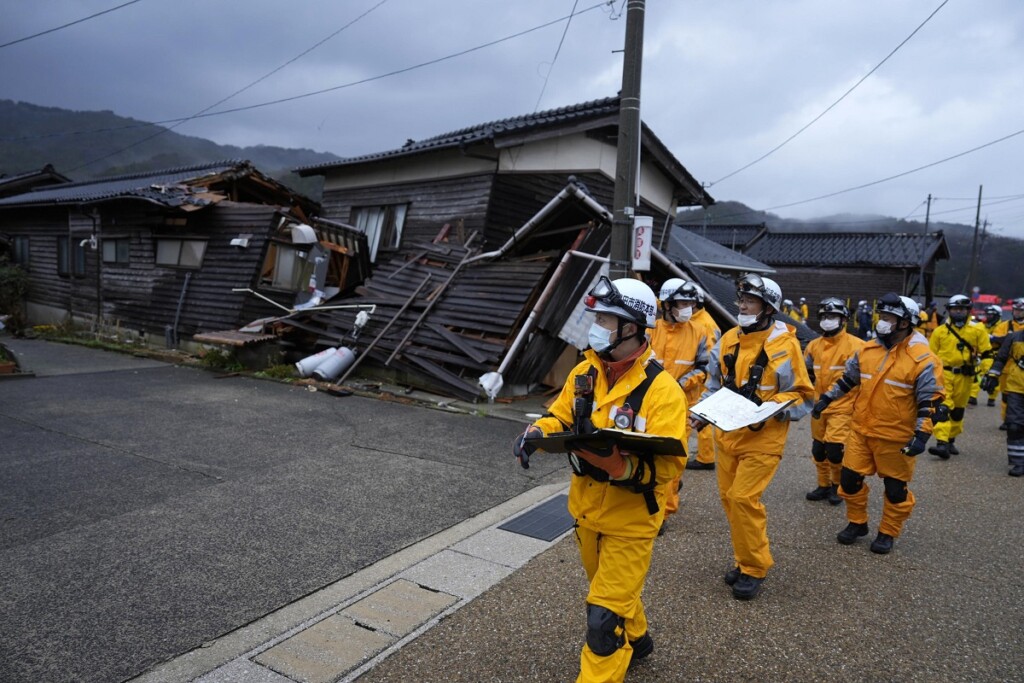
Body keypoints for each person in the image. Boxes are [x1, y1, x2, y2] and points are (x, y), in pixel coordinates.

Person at [512, 275, 686, 681]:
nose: (598, 327)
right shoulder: (584, 373)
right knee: (607, 590)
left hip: (632, 523)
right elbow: (560, 416)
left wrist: (620, 467)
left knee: (603, 621)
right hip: (586, 514)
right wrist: (538, 433)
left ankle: (618, 643)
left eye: (608, 320)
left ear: (633, 327)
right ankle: (639, 637)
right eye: (599, 318)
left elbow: (670, 467)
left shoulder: (663, 392)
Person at [689, 274, 814, 600]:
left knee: (744, 499)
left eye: (750, 301)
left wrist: (771, 410)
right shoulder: (729, 338)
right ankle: (743, 560)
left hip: (764, 438)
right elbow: (714, 386)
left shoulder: (785, 345)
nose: (742, 306)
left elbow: (802, 396)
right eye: (741, 300)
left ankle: (755, 568)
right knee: (731, 502)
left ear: (768, 307)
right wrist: (701, 414)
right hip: (727, 435)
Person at [812, 294, 945, 555]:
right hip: (861, 430)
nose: (881, 322)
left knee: (895, 490)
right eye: (881, 316)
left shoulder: (923, 359)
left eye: (888, 318)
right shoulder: (868, 350)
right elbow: (848, 380)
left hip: (896, 437)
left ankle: (887, 531)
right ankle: (857, 523)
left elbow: (930, 401)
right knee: (849, 482)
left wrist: (922, 435)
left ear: (906, 323)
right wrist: (827, 399)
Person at [650, 278, 712, 519]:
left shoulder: (699, 332)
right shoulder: (650, 330)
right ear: (667, 304)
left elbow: (704, 368)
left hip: (683, 406)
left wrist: (678, 385)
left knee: (672, 460)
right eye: (681, 302)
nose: (687, 308)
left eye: (689, 302)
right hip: (651, 405)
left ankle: (664, 512)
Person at [803, 298, 865, 505]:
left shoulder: (858, 346)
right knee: (818, 449)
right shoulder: (813, 346)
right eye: (824, 317)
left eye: (833, 316)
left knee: (835, 449)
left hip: (844, 406)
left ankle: (836, 485)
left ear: (844, 319)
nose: (827, 320)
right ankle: (822, 485)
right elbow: (806, 372)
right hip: (819, 405)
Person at [927, 294, 992, 458]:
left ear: (968, 310)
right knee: (943, 407)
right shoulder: (939, 331)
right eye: (955, 309)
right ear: (949, 310)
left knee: (958, 411)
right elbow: (930, 356)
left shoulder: (978, 329)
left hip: (966, 376)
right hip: (944, 375)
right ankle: (941, 443)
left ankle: (950, 440)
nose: (958, 312)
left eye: (962, 309)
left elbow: (986, 353)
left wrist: (989, 373)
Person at [685, 283, 722, 471]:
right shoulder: (699, 319)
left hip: (701, 377)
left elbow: (710, 355)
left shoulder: (704, 323)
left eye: (688, 302)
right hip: (700, 375)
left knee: (701, 416)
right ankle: (705, 456)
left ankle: (706, 457)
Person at [980, 326, 1024, 476]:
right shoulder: (1015, 337)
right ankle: (1018, 462)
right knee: (1014, 426)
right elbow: (1001, 358)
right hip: (1016, 387)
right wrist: (993, 375)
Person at [993, 298, 1024, 428]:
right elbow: (995, 340)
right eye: (1016, 310)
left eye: (1021, 311)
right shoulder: (1004, 325)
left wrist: (1007, 338)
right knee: (1006, 396)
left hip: (1020, 368)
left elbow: (1001, 340)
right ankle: (1007, 419)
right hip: (1006, 367)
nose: (1018, 313)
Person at [970, 304, 1004, 406]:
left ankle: (992, 397)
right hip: (980, 354)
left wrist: (992, 338)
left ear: (997, 316)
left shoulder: (1002, 326)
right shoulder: (981, 325)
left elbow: (1003, 339)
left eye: (991, 315)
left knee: (993, 377)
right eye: (987, 315)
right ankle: (972, 396)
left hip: (994, 355)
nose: (988, 317)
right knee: (975, 375)